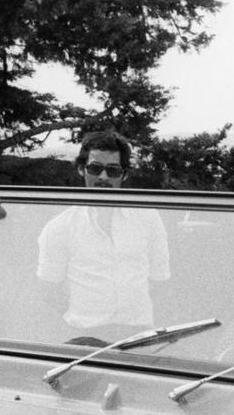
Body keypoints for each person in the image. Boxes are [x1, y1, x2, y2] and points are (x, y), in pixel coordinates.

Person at [36, 129, 170, 340]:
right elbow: (48, 289)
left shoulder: (149, 218)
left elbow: (160, 282)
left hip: (140, 335)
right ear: (82, 169)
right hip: (83, 337)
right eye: (95, 169)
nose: (103, 177)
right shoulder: (59, 227)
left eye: (113, 171)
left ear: (124, 174)